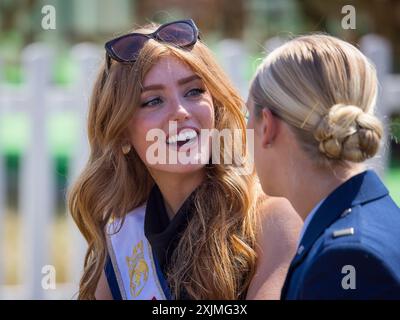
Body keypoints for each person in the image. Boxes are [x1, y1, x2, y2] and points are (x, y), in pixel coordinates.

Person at [67, 19, 302, 300]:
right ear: (122, 135)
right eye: (153, 101)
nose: (180, 111)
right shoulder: (122, 237)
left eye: (194, 91)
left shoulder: (270, 220)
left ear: (215, 106)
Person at [247, 34, 400, 299]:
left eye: (248, 115)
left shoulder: (345, 258)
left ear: (267, 126)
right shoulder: (375, 218)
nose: (245, 128)